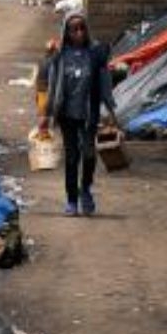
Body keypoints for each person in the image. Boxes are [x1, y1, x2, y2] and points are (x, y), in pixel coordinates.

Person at [37, 11, 116, 217]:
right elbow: (52, 85)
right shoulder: (60, 55)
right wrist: (46, 114)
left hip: (89, 113)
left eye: (82, 28)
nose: (79, 32)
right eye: (74, 29)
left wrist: (110, 109)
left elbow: (105, 82)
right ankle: (72, 200)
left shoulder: (96, 53)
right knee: (72, 157)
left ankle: (86, 189)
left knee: (89, 155)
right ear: (67, 32)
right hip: (66, 113)